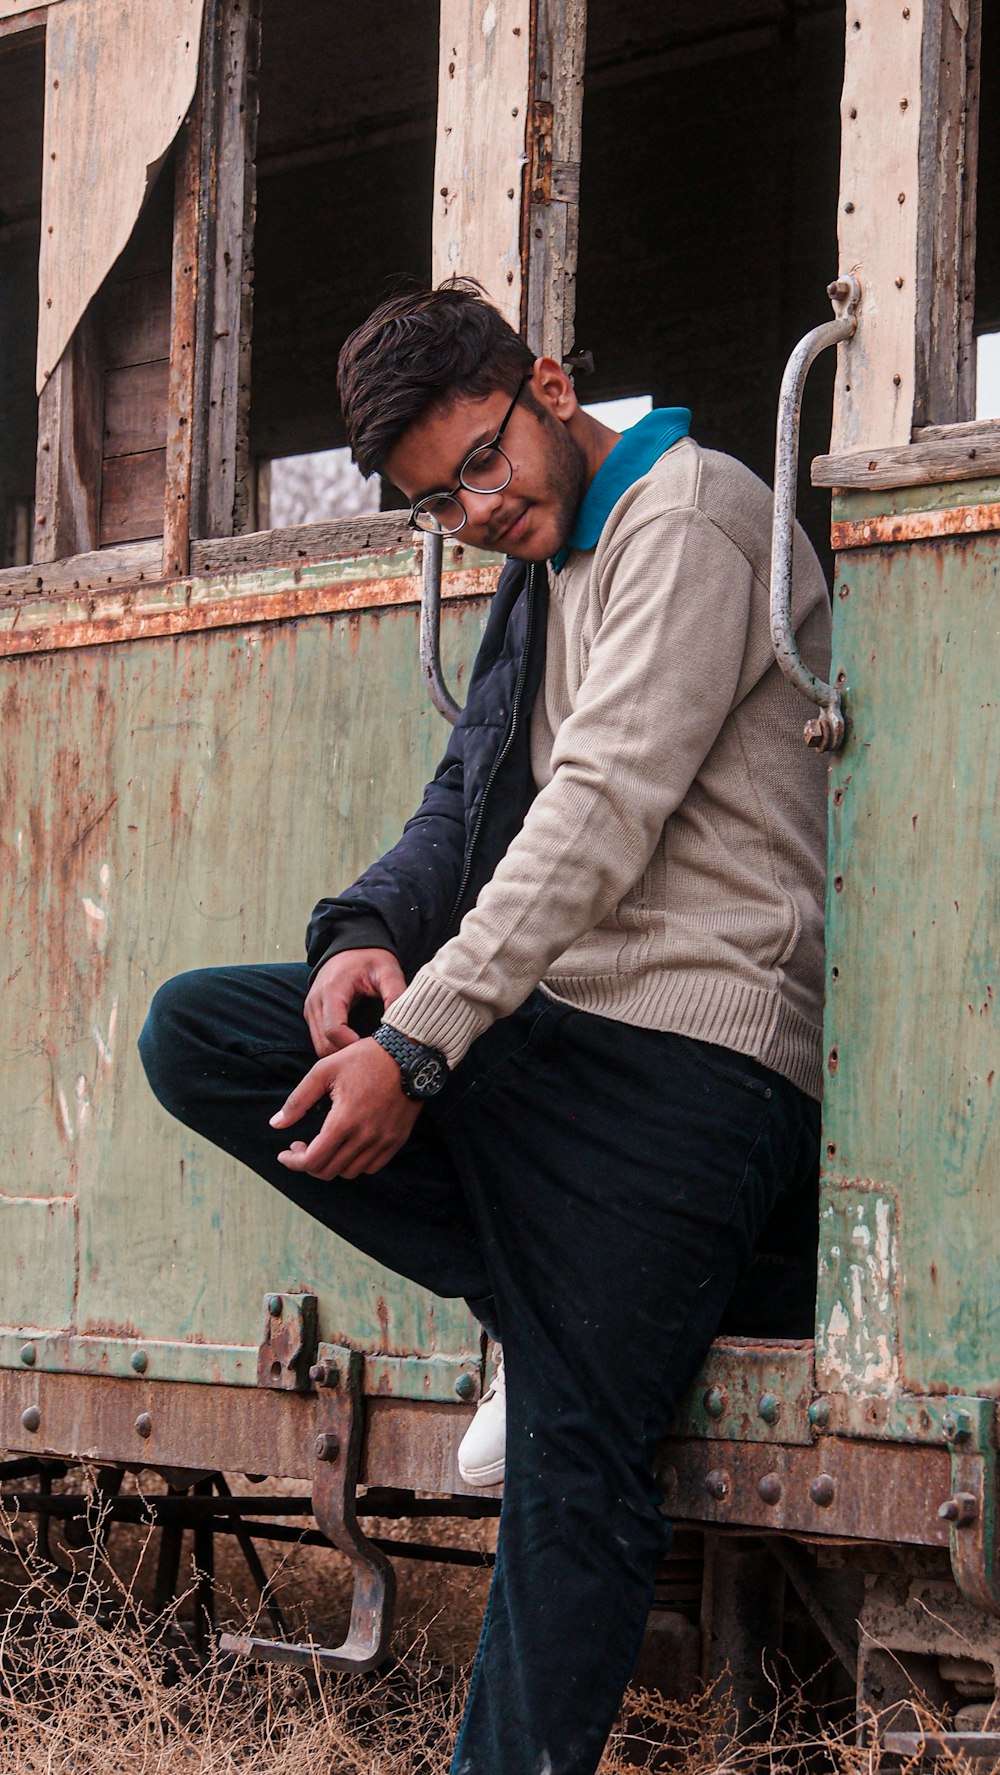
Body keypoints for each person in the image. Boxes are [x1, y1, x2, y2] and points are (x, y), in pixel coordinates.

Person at [139, 280, 830, 1775]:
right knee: (207, 1034)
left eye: (483, 463)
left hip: (701, 1071)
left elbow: (596, 818)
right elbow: (469, 795)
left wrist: (423, 1047)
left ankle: (559, 1318)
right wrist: (369, 946)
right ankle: (548, 1295)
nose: (475, 506)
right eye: (437, 502)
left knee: (576, 1477)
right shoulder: (545, 560)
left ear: (552, 388)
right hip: (563, 1051)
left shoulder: (691, 519)